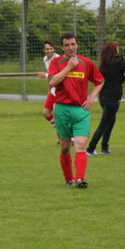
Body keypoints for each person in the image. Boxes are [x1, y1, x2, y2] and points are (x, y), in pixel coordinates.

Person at [47, 33, 104, 188]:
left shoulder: (86, 62)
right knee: (65, 147)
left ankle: (80, 179)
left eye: (73, 44)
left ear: (77, 45)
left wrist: (91, 97)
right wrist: (69, 67)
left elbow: (100, 81)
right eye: (67, 45)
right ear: (62, 47)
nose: (71, 47)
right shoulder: (56, 62)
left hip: (81, 110)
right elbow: (53, 82)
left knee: (81, 143)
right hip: (62, 110)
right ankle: (69, 179)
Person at [87, 41, 125, 156]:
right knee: (104, 124)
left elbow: (112, 78)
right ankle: (90, 149)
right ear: (114, 50)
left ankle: (104, 147)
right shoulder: (118, 61)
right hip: (112, 98)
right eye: (117, 48)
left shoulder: (104, 63)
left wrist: (124, 78)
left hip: (103, 97)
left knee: (110, 121)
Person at [38, 39, 60, 127]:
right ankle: (59, 128)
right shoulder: (45, 59)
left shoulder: (58, 59)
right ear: (43, 50)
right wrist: (49, 91)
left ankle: (63, 133)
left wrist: (45, 75)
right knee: (45, 113)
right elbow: (51, 77)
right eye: (47, 49)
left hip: (60, 90)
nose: (50, 51)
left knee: (59, 114)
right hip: (53, 90)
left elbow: (59, 75)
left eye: (51, 48)